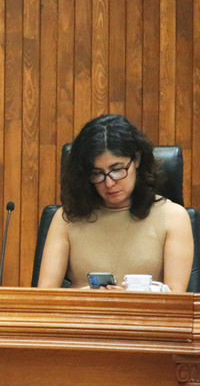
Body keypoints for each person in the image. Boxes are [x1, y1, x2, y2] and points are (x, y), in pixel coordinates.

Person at [38, 114, 194, 291]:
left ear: (137, 159)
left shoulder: (173, 217)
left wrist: (124, 300)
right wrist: (90, 296)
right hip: (81, 309)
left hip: (146, 310)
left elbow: (175, 299)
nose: (109, 183)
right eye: (97, 173)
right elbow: (46, 295)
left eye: (117, 170)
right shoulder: (66, 219)